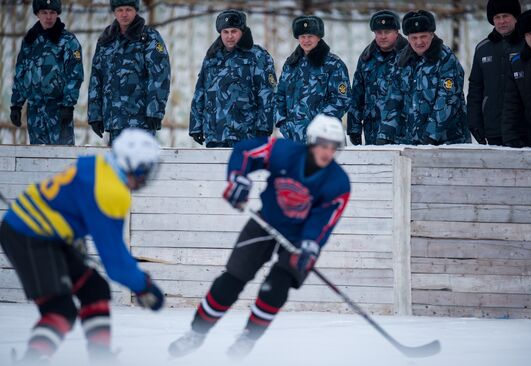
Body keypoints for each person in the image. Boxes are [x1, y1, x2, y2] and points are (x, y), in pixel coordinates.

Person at [168, 114, 351, 359]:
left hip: (298, 240)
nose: (327, 153)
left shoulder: (338, 182)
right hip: (266, 221)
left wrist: (311, 246)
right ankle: (196, 333)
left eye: (333, 148)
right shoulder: (285, 152)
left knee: (275, 287)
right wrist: (238, 180)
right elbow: (245, 152)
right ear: (311, 142)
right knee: (232, 280)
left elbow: (324, 221)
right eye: (323, 145)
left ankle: (248, 338)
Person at [0, 129, 165, 363]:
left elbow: (71, 207)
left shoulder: (99, 166)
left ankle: (100, 358)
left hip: (47, 233)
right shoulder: (112, 191)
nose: (146, 178)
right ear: (133, 166)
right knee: (60, 310)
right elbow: (115, 263)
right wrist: (144, 287)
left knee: (95, 288)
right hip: (29, 236)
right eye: (146, 170)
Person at [380, 10, 470, 145]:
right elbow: (393, 98)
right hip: (412, 141)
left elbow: (447, 100)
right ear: (408, 38)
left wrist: (430, 136)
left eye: (423, 36)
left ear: (432, 35)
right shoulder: (402, 60)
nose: (419, 42)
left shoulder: (446, 59)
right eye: (414, 37)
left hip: (445, 141)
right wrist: (385, 134)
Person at [189, 9, 277, 148]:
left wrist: (264, 128)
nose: (230, 36)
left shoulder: (258, 56)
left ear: (242, 31)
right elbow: (200, 92)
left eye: (234, 31)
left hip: (246, 134)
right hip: (215, 134)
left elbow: (267, 93)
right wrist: (196, 126)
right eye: (226, 32)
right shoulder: (211, 57)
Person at [87, 0, 171, 145]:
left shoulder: (149, 37)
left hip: (141, 121)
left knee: (139, 164)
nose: (124, 14)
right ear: (114, 12)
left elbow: (160, 75)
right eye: (120, 10)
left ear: (136, 10)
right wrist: (95, 115)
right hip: (114, 121)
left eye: (128, 9)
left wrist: (155, 111)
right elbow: (96, 77)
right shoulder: (106, 40)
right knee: (116, 166)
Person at [10, 0, 83, 145]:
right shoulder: (30, 41)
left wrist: (68, 105)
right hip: (35, 112)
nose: (48, 17)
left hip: (58, 110)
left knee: (63, 158)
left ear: (57, 14)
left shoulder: (68, 41)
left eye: (52, 13)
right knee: (38, 159)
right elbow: (21, 73)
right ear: (37, 14)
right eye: (44, 12)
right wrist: (16, 105)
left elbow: (75, 74)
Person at [275, 16, 351, 143]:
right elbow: (279, 96)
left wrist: (320, 123)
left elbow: (342, 99)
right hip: (293, 138)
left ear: (319, 37)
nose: (306, 40)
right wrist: (282, 122)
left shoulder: (333, 64)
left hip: (324, 139)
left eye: (310, 36)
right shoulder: (291, 64)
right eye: (302, 36)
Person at [347, 10, 408, 145]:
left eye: (387, 32)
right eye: (379, 33)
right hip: (372, 132)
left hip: (402, 133)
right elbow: (357, 95)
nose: (383, 36)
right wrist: (354, 127)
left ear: (397, 32)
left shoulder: (408, 55)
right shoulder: (367, 57)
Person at [467, 0, 523, 145]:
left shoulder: (527, 45)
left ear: (516, 17)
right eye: (497, 17)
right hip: (493, 128)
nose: (501, 21)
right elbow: (475, 89)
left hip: (524, 129)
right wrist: (474, 121)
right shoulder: (482, 48)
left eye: (506, 16)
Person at [502, 9, 531, 148]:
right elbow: (511, 103)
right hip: (527, 141)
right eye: (529, 33)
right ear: (524, 35)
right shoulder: (517, 63)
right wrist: (510, 136)